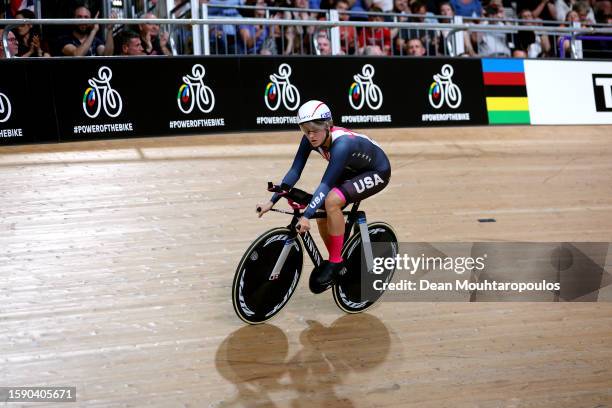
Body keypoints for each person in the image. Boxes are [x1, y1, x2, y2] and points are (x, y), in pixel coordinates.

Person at [256, 100, 391, 293]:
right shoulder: (310, 139)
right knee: (321, 211)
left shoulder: (342, 144)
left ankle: (335, 262)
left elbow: (325, 184)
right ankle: (340, 256)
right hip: (351, 169)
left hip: (377, 171)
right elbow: (295, 171)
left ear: (328, 125)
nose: (310, 135)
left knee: (331, 201)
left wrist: (305, 215)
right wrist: (271, 201)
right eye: (305, 130)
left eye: (314, 130)